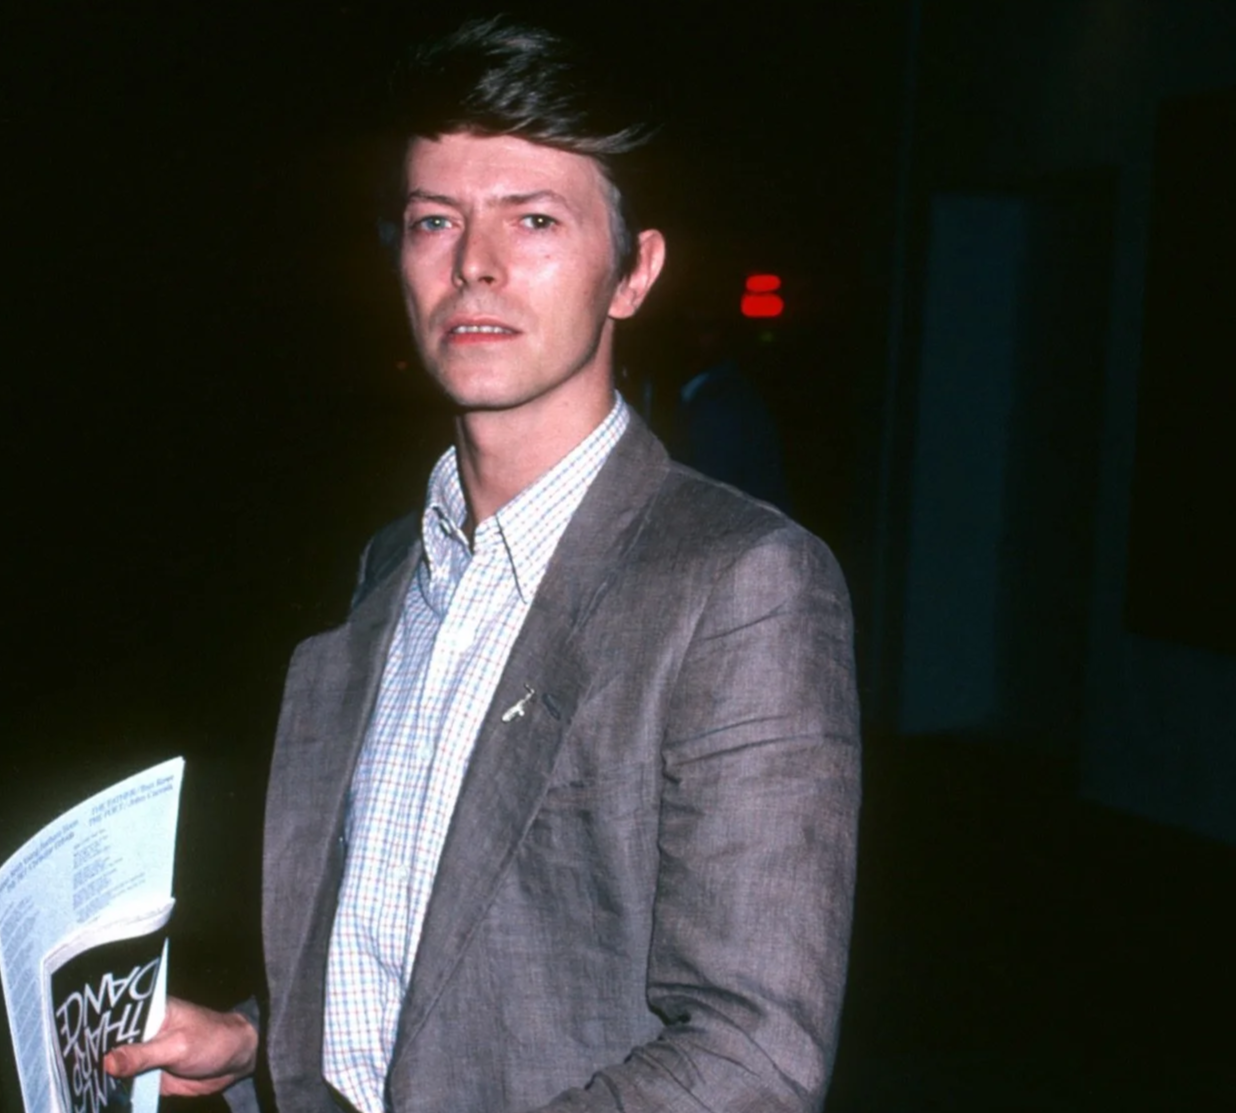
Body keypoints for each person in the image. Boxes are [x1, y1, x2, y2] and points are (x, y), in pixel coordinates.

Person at [105, 16, 859, 1113]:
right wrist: (256, 1043)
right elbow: (431, 958)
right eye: (432, 220)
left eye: (535, 218)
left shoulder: (740, 585)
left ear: (632, 273)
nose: (474, 263)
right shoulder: (385, 571)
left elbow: (750, 1061)